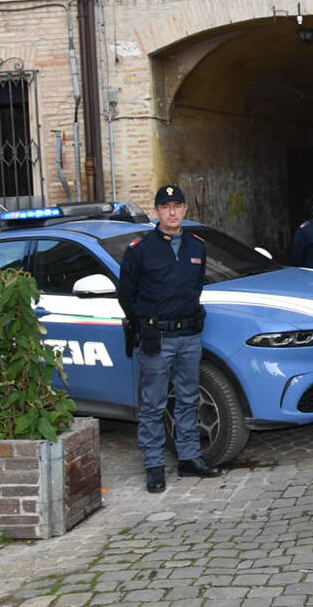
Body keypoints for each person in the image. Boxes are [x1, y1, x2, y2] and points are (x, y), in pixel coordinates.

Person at [118, 184, 222, 493]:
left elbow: (195, 287)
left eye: (177, 206)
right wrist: (145, 324)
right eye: (166, 207)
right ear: (158, 212)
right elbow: (126, 295)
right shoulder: (141, 249)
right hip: (157, 338)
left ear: (185, 209)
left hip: (189, 335)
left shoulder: (196, 247)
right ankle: (154, 465)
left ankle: (189, 458)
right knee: (153, 403)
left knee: (189, 399)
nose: (172, 212)